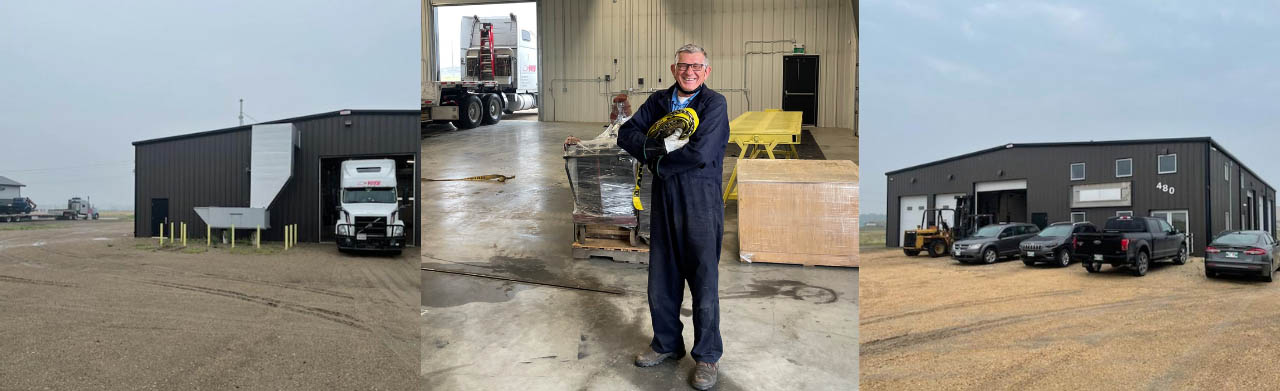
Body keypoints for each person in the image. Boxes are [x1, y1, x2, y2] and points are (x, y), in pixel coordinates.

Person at [617, 43, 729, 391]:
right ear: (673, 68)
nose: (690, 71)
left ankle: (707, 356)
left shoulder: (714, 104)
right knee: (662, 277)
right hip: (664, 197)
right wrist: (658, 149)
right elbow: (627, 134)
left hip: (700, 201)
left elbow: (701, 152)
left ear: (706, 71)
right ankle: (667, 343)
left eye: (697, 66)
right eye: (684, 66)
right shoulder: (659, 101)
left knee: (704, 281)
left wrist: (658, 160)